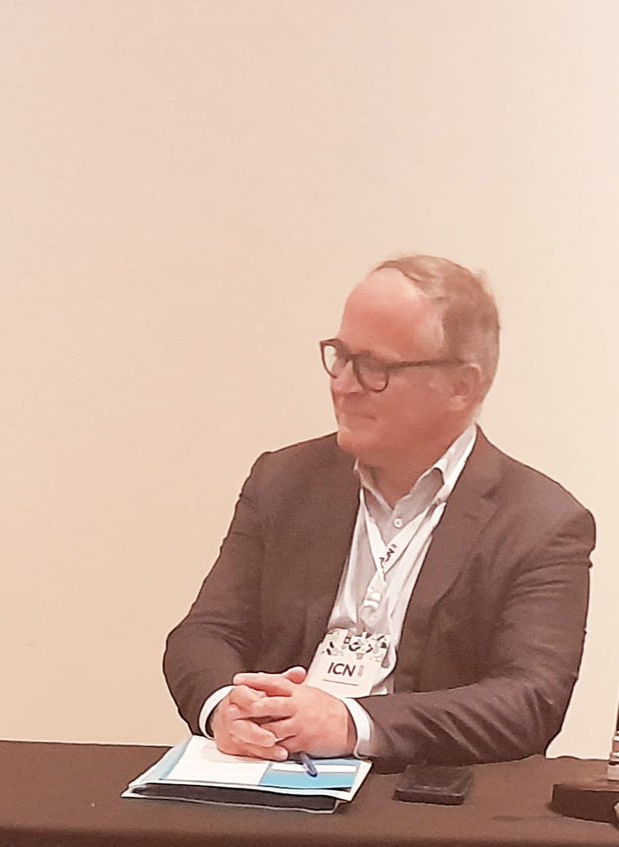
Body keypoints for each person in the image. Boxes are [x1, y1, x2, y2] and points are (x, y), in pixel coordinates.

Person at [163, 255, 594, 770]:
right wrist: (225, 706)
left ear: (463, 386)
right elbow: (205, 633)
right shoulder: (284, 481)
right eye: (339, 357)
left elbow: (530, 702)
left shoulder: (540, 522)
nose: (343, 384)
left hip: (422, 807)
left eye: (374, 368)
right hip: (272, 783)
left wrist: (351, 724)